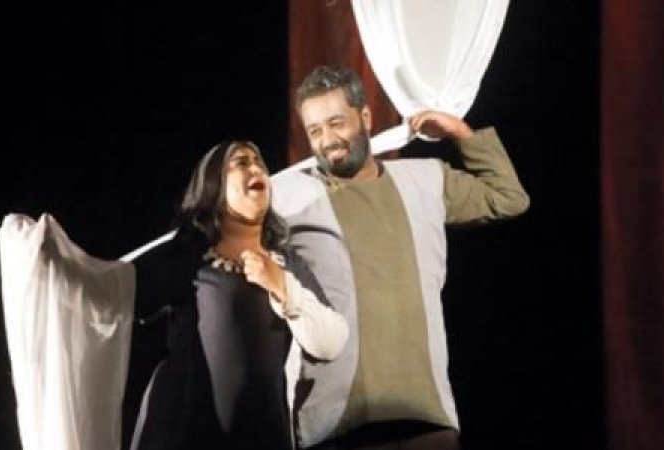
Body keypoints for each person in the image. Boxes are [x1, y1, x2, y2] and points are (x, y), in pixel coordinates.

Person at [271, 65, 531, 450]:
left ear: (365, 117)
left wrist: (460, 132)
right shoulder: (291, 199)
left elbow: (507, 197)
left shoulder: (423, 180)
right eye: (315, 130)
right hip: (338, 421)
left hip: (423, 413)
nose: (327, 140)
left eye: (336, 123)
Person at [127, 140, 350, 450]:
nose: (256, 168)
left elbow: (332, 342)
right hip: (186, 437)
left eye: (260, 162)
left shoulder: (286, 263)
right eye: (241, 163)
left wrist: (282, 286)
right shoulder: (187, 256)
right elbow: (112, 298)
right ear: (214, 186)